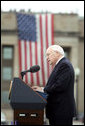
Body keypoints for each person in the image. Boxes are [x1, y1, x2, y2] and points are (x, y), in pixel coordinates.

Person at [32, 45, 76, 125]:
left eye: (48, 54)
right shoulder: (60, 65)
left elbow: (60, 86)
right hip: (57, 112)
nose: (47, 58)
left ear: (57, 53)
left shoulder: (64, 65)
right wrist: (42, 89)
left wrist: (43, 90)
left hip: (61, 112)